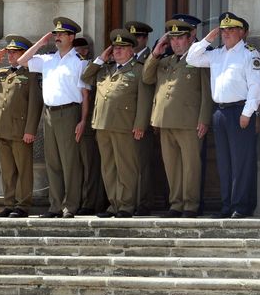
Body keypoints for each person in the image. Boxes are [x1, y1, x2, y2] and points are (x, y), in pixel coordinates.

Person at [186, 12, 260, 218]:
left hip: (240, 110)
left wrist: (247, 113)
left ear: (241, 32)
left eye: (231, 29)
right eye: (223, 30)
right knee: (224, 162)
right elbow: (191, 58)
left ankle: (240, 205)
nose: (226, 33)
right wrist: (207, 40)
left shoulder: (250, 54)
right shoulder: (217, 54)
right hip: (220, 111)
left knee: (241, 162)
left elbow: (256, 87)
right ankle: (226, 205)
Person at [18, 17, 90, 218]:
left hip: (70, 112)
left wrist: (83, 120)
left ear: (71, 37)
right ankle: (55, 206)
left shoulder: (79, 62)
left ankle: (70, 206)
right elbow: (21, 61)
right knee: (53, 162)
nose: (57, 37)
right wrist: (40, 43)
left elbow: (85, 94)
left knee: (70, 162)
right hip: (49, 113)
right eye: (56, 34)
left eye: (61, 34)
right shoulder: (47, 59)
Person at [143, 18, 213, 218]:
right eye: (172, 39)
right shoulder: (165, 61)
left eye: (180, 38)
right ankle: (176, 204)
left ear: (190, 39)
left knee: (191, 166)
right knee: (172, 166)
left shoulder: (198, 60)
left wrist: (204, 118)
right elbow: (147, 77)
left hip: (189, 122)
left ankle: (191, 204)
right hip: (165, 122)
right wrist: (156, 53)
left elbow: (207, 92)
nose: (175, 43)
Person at [81, 29, 152, 218]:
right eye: (115, 48)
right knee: (108, 167)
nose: (117, 51)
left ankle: (126, 205)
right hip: (102, 125)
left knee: (126, 167)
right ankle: (114, 204)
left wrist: (140, 124)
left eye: (122, 47)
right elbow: (85, 77)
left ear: (131, 50)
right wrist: (101, 59)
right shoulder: (105, 69)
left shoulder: (139, 69)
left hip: (125, 125)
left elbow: (144, 100)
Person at [0, 35, 42, 218]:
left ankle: (22, 205)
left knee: (23, 170)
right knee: (7, 171)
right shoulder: (0, 73)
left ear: (24, 54)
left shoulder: (31, 75)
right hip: (1, 128)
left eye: (15, 52)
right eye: (9, 52)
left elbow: (35, 104)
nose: (11, 55)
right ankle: (9, 204)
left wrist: (30, 130)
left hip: (20, 131)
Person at [72, 36, 106, 215]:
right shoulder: (67, 66)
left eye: (79, 51)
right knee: (75, 165)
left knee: (89, 164)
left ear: (86, 51)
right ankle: (76, 200)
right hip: (70, 120)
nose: (76, 54)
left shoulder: (91, 68)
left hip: (88, 122)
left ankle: (90, 202)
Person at [125, 20, 154, 215]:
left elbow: (147, 93)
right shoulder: (124, 59)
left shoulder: (150, 59)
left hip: (143, 120)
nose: (135, 41)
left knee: (142, 164)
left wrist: (141, 123)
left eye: (139, 37)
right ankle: (128, 201)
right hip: (124, 120)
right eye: (132, 37)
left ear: (145, 38)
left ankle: (142, 202)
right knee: (128, 164)